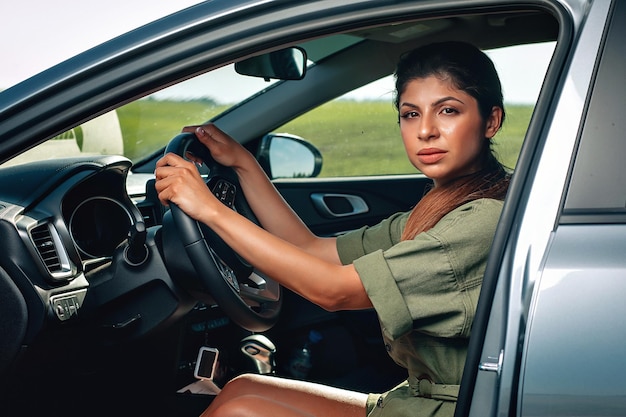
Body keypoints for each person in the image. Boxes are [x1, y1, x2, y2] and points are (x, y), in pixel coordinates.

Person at [154, 41, 510, 417]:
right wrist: (244, 164)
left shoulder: (482, 221)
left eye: (448, 111)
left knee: (240, 412)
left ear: (491, 121)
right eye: (410, 114)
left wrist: (208, 209)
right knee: (243, 388)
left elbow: (333, 290)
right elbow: (311, 249)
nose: (425, 130)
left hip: (456, 408)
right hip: (415, 400)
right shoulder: (445, 206)